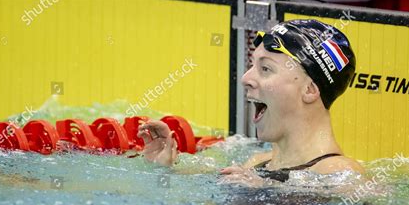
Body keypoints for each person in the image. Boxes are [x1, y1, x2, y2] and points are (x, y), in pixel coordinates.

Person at [138, 19, 364, 188]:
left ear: (310, 90)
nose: (246, 78)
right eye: (252, 65)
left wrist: (268, 189)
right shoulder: (258, 162)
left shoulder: (342, 175)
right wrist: (163, 167)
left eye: (265, 69)